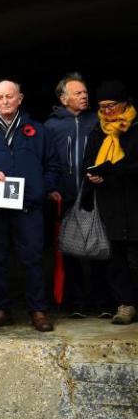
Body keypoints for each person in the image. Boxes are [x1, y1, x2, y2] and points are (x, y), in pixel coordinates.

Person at [0, 80, 61, 332]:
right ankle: (1, 309)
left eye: (10, 96)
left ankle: (38, 310)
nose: (5, 101)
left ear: (20, 98)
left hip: (29, 206)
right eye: (0, 97)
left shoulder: (37, 131)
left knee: (33, 259)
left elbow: (53, 166)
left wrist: (40, 189)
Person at [44, 74, 103, 318]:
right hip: (66, 196)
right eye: (78, 93)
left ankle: (103, 302)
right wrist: (50, 188)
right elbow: (46, 161)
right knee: (70, 252)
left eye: (85, 92)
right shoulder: (51, 126)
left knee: (101, 249)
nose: (84, 96)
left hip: (96, 195)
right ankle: (76, 303)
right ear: (63, 98)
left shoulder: (98, 121)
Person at [81, 80, 137, 325]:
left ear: (125, 103)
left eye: (111, 106)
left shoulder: (136, 128)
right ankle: (125, 304)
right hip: (110, 202)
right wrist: (92, 174)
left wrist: (114, 170)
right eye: (102, 107)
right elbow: (88, 161)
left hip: (134, 201)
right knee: (115, 257)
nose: (106, 112)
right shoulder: (97, 131)